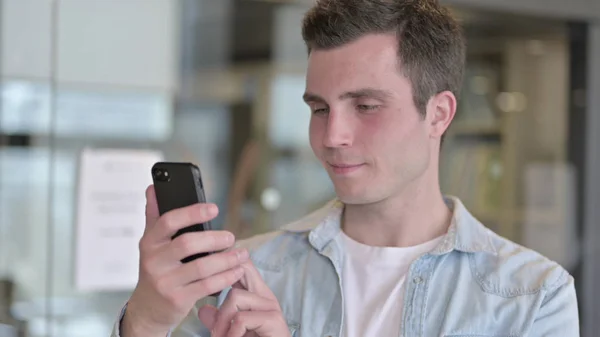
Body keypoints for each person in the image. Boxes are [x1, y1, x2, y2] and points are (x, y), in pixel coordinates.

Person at [113, 0, 580, 336]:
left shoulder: (531, 297)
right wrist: (147, 322)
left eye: (366, 106)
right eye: (319, 108)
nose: (332, 135)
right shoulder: (246, 273)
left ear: (438, 114)